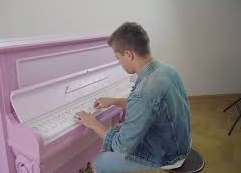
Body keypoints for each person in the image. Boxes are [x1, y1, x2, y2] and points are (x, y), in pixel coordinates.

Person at [75, 22, 191, 173]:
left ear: (129, 54)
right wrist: (115, 101)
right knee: (121, 129)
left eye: (118, 58)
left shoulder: (143, 92)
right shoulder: (167, 70)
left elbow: (120, 147)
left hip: (167, 157)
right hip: (180, 145)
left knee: (100, 161)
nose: (119, 63)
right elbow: (153, 107)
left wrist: (93, 123)